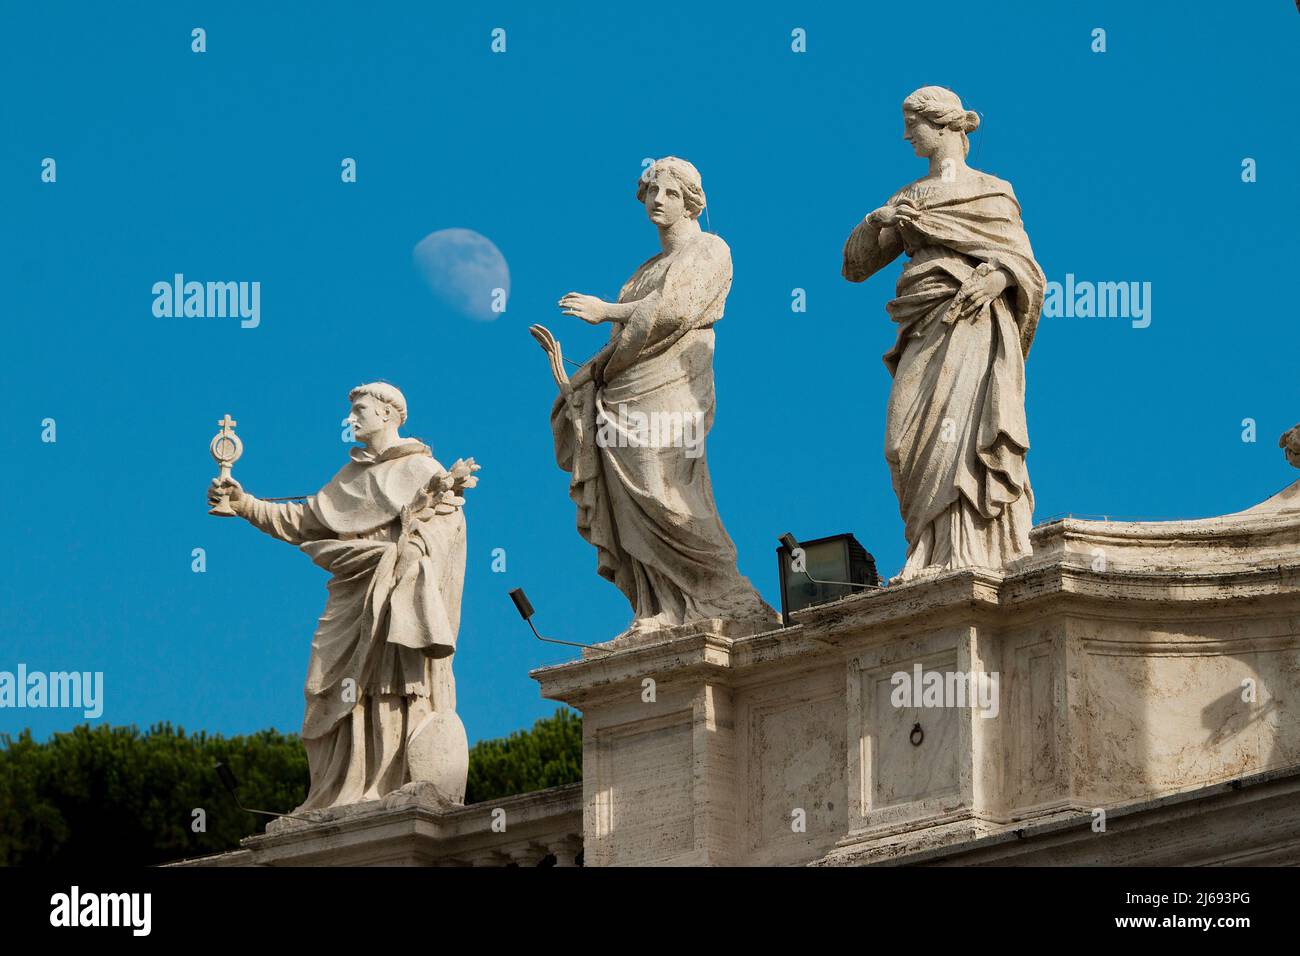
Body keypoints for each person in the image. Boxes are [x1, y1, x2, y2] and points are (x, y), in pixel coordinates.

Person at [207, 382, 478, 811]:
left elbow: (449, 530)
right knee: (324, 682)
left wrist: (410, 553)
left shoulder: (423, 470)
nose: (351, 419)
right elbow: (303, 520)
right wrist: (245, 504)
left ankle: (386, 782)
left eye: (360, 410)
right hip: (352, 593)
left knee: (390, 686)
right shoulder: (350, 478)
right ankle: (335, 791)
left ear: (388, 414)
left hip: (394, 595)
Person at [843, 87, 1046, 580]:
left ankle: (966, 550)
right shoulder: (908, 196)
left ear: (944, 126)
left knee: (968, 432)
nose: (907, 134)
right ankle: (927, 544)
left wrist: (1000, 276)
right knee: (902, 442)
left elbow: (1027, 267)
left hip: (973, 319)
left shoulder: (994, 191)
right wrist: (877, 220)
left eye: (914, 124)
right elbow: (855, 265)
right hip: (922, 321)